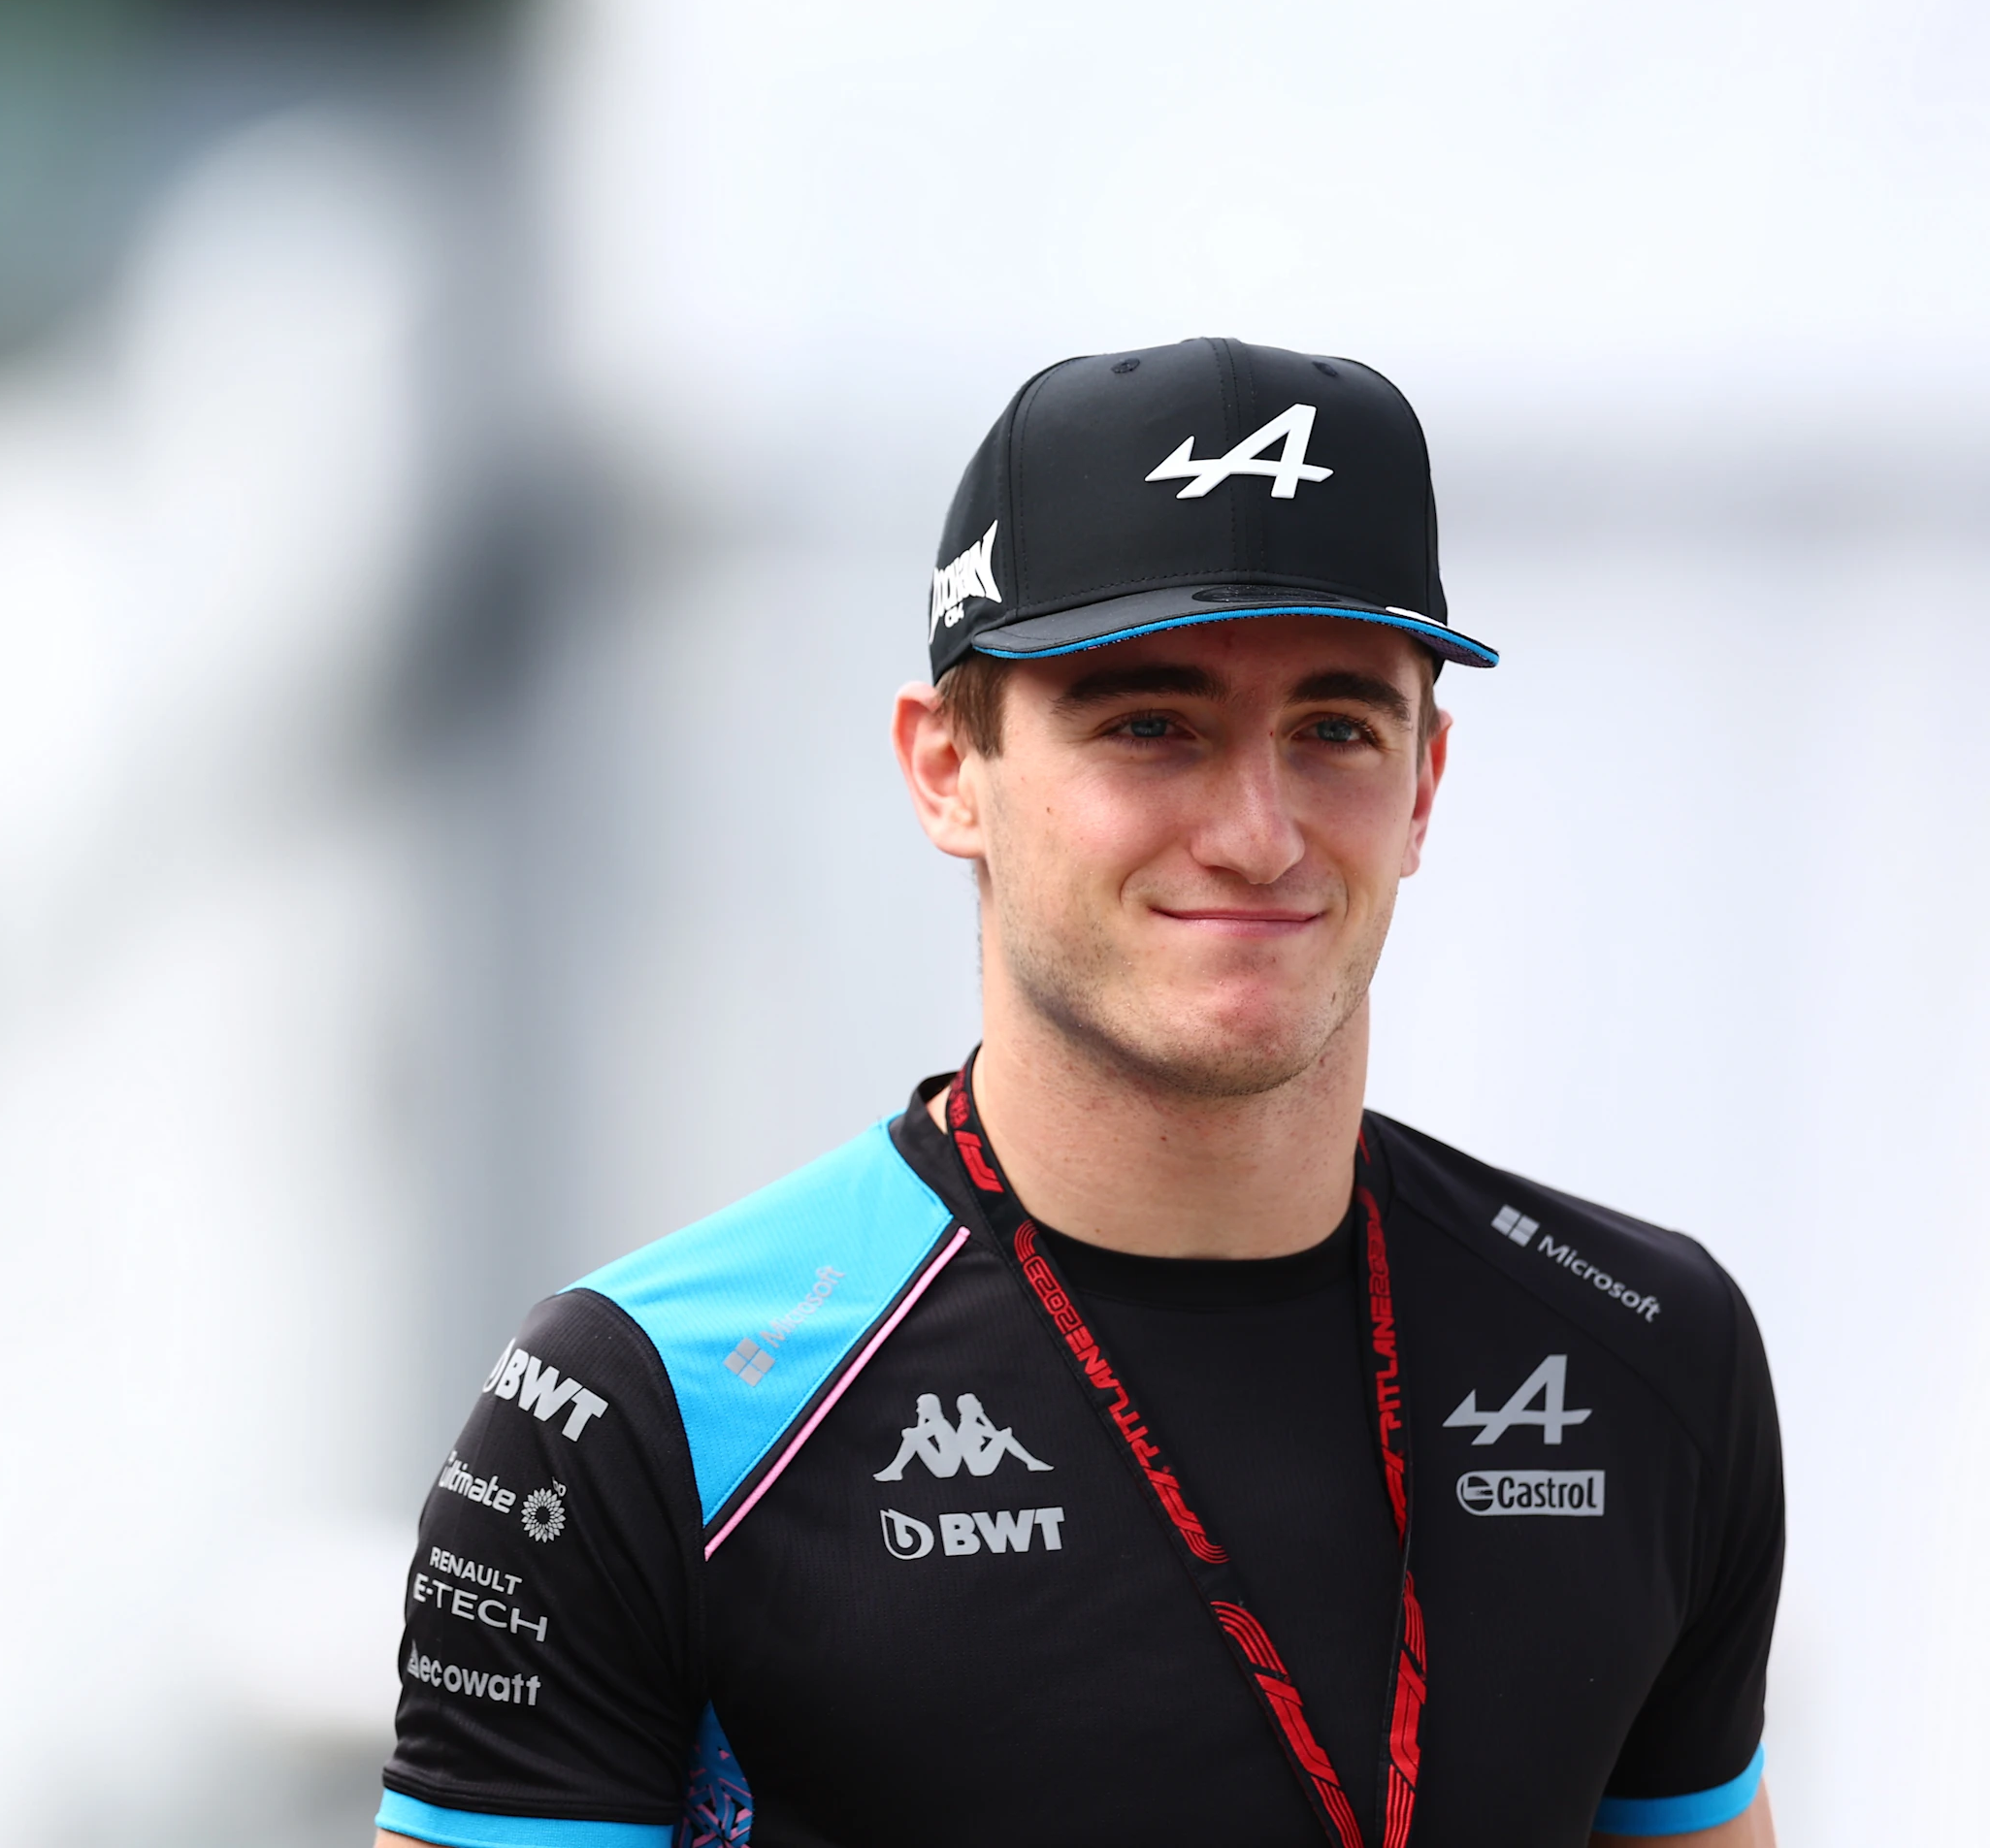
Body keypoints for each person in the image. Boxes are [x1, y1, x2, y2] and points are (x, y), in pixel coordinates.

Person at [374, 339, 1780, 1847]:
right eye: (1149, 726)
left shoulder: (1649, 1357)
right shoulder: (636, 1413)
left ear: (1425, 782)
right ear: (944, 770)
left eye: (1335, 730)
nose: (1257, 833)